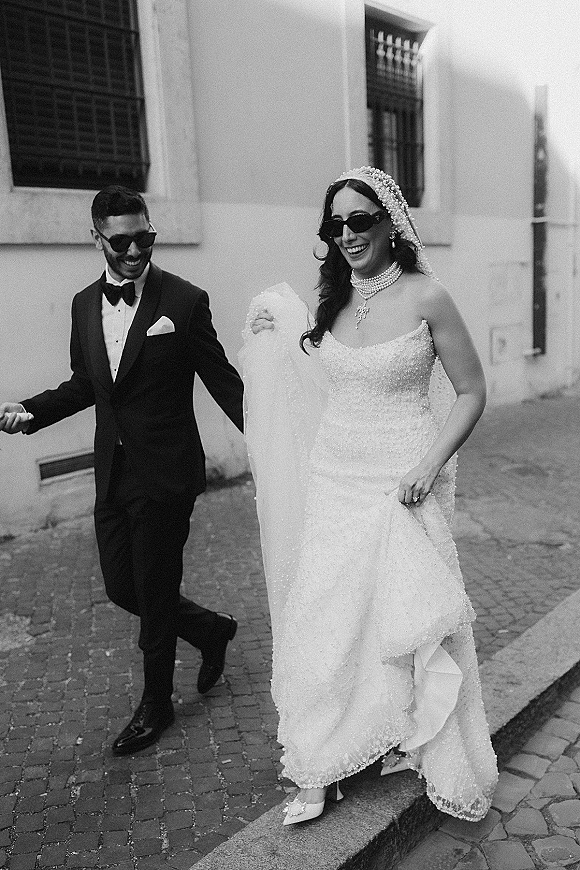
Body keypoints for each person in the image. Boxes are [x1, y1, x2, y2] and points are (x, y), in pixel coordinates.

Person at [241, 166, 498, 826]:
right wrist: (273, 330)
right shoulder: (331, 298)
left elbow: (470, 391)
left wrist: (429, 464)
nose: (348, 234)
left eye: (360, 220)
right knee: (330, 620)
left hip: (402, 482)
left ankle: (416, 740)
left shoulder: (427, 295)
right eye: (336, 224)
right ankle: (321, 759)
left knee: (403, 619)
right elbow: (324, 379)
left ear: (390, 220)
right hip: (335, 478)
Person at [0, 185, 244, 756]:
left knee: (155, 593)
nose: (135, 252)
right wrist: (29, 412)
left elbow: (222, 380)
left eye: (144, 238)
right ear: (97, 239)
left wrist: (275, 438)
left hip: (167, 474)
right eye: (121, 242)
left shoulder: (184, 301)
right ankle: (211, 630)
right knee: (123, 587)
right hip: (112, 470)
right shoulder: (85, 305)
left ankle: (156, 702)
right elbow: (88, 384)